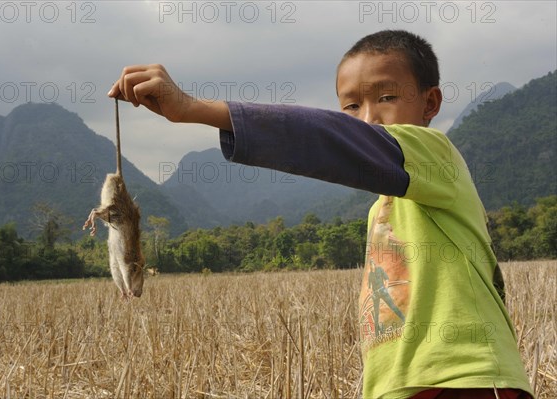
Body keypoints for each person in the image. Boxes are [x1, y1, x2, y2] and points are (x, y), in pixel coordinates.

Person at [108, 30, 534, 399]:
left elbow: (328, 139)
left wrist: (193, 109)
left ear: (430, 103)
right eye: (351, 108)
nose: (367, 118)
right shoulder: (381, 209)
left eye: (386, 97)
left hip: (465, 380)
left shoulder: (438, 158)